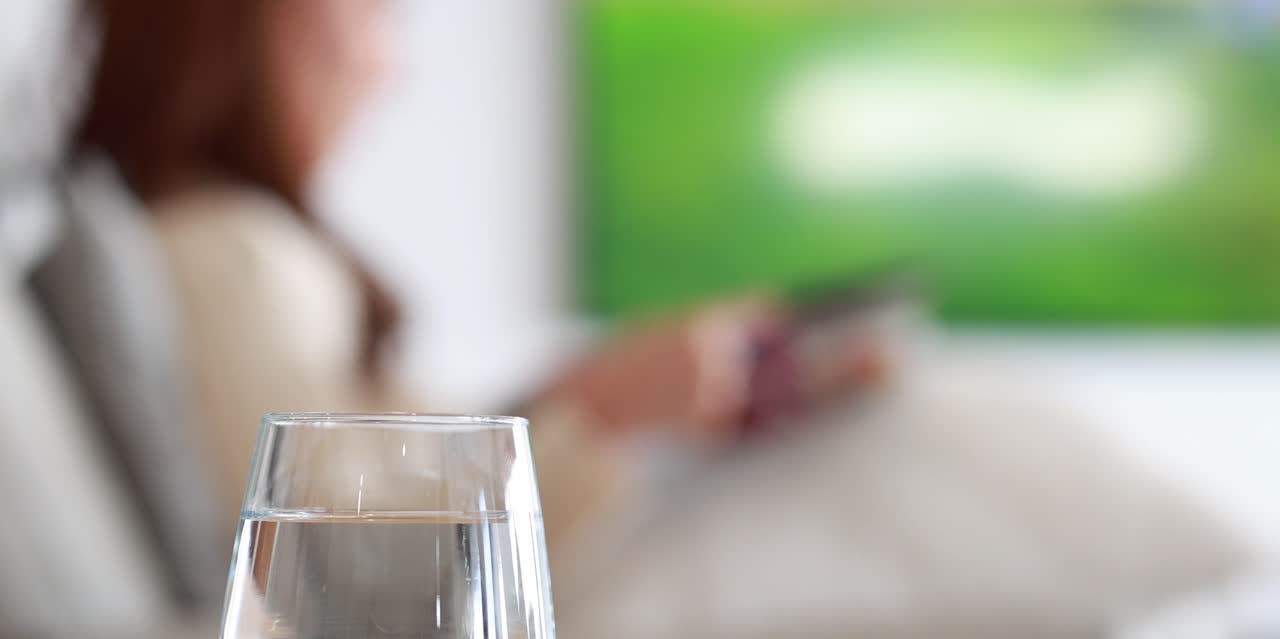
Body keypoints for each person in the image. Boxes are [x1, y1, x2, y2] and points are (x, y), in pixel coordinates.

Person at [73, 0, 872, 563]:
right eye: (377, 10)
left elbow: (386, 493)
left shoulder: (235, 246)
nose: (387, 68)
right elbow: (342, 572)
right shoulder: (230, 254)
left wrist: (599, 393)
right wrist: (610, 409)